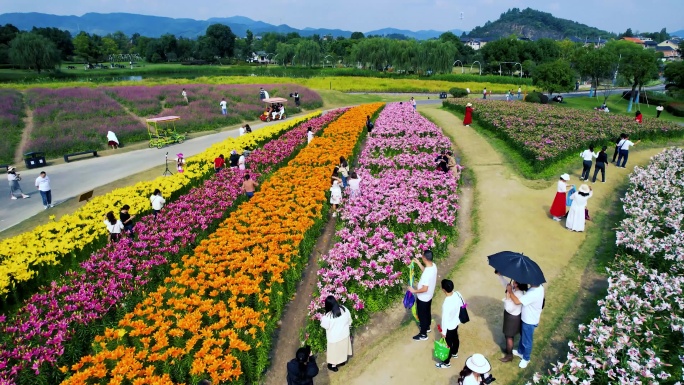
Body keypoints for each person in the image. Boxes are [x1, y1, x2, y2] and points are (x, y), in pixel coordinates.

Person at [509, 281, 545, 369]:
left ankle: (526, 358)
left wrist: (510, 291)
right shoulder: (540, 287)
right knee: (523, 337)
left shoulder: (533, 293)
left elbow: (517, 302)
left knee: (527, 341)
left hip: (529, 321)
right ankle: (520, 352)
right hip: (528, 318)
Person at [408, 249, 437, 341]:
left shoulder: (427, 274)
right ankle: (427, 327)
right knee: (427, 312)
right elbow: (425, 271)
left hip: (423, 298)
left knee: (422, 315)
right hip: (429, 296)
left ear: (424, 258)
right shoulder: (433, 266)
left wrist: (414, 291)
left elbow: (425, 288)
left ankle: (423, 334)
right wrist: (418, 263)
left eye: (422, 256)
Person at [497, 272, 527, 362]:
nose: (513, 282)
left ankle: (509, 355)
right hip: (511, 317)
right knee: (508, 336)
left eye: (515, 282)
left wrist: (507, 296)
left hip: (512, 318)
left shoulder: (519, 295)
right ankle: (509, 351)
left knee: (509, 337)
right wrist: (499, 275)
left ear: (517, 284)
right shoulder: (516, 290)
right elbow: (506, 284)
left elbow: (509, 308)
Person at [435, 279, 465, 369]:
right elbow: (463, 304)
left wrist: (443, 332)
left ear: (443, 290)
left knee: (447, 345)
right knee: (455, 338)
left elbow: (445, 319)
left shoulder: (446, 303)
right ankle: (455, 352)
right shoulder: (458, 294)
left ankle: (446, 362)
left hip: (449, 327)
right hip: (456, 323)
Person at [319, 295, 352, 372]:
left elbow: (324, 326)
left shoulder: (328, 317)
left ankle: (333, 366)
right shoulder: (344, 309)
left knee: (334, 353)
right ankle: (342, 361)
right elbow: (349, 320)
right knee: (343, 350)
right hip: (345, 335)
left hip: (334, 339)